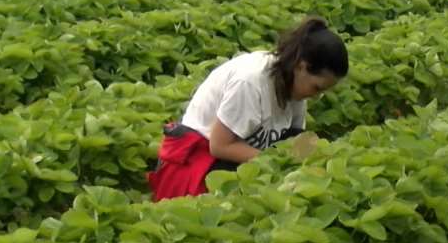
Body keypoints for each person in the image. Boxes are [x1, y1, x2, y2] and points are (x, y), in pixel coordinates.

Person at [148, 16, 348, 201]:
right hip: (200, 160)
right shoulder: (251, 81)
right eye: (317, 87)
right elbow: (219, 146)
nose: (316, 95)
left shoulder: (295, 84)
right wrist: (276, 162)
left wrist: (324, 163)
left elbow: (297, 139)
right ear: (301, 66)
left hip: (240, 152)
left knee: (301, 144)